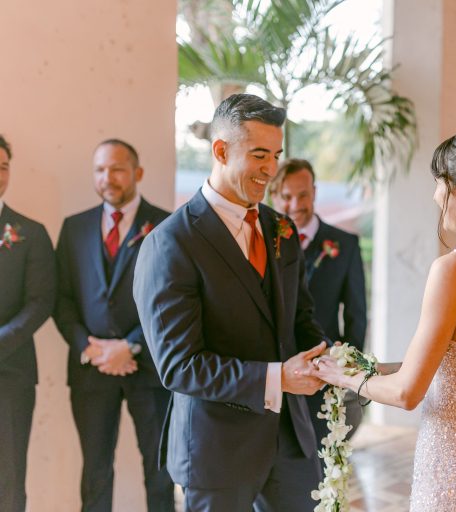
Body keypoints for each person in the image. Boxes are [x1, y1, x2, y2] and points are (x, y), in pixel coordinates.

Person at [311, 126, 456, 511]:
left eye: (440, 183)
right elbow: (455, 370)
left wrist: (344, 377)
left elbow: (408, 393)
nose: (436, 194)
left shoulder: (454, 270)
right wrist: (369, 366)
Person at [132, 94, 328, 512]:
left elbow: (301, 318)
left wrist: (333, 363)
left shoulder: (282, 228)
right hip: (215, 451)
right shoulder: (169, 244)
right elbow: (179, 365)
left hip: (291, 446)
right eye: (259, 155)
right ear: (220, 150)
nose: (271, 169)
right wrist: (278, 379)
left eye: (276, 155)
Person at [53, 139, 173, 512]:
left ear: (137, 173)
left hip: (150, 368)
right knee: (96, 472)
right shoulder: (74, 228)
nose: (109, 178)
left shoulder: (167, 226)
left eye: (118, 169)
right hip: (92, 369)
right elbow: (62, 298)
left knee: (159, 469)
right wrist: (88, 348)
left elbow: (173, 301)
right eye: (100, 170)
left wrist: (132, 344)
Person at [270, 158, 367, 448]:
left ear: (314, 191)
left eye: (303, 195)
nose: (295, 204)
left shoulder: (344, 244)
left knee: (322, 461)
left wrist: (347, 371)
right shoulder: (263, 242)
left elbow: (356, 315)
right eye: (286, 196)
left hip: (324, 372)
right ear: (274, 195)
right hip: (275, 372)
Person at [0, 135, 56, 512]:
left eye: (3, 166)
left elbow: (41, 302)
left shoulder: (30, 233)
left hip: (10, 373)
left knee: (8, 475)